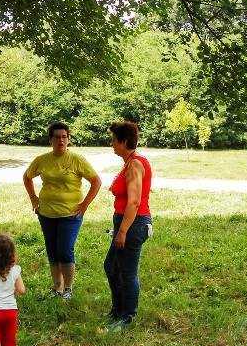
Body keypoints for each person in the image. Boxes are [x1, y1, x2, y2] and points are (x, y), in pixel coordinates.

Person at [23, 122, 102, 299]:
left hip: (71, 214)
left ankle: (68, 288)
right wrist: (34, 198)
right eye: (57, 137)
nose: (61, 140)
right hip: (46, 213)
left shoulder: (77, 160)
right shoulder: (42, 160)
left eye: (64, 137)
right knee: (52, 250)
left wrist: (85, 204)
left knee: (65, 250)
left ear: (68, 139)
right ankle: (57, 288)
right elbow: (27, 177)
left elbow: (96, 181)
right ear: (51, 139)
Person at [104, 121, 152, 331]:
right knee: (112, 267)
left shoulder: (135, 165)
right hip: (126, 222)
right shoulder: (130, 162)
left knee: (126, 272)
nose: (112, 144)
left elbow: (134, 201)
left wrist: (122, 231)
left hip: (133, 224)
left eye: (114, 140)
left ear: (123, 142)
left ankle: (127, 316)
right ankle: (117, 310)